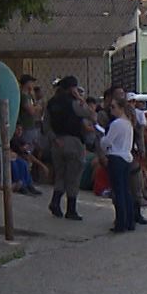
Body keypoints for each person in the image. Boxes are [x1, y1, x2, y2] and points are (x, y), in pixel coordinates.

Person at [44, 76, 91, 220]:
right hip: (73, 142)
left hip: (57, 143)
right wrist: (80, 99)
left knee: (60, 174)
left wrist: (54, 138)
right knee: (73, 176)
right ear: (72, 88)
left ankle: (55, 201)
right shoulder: (73, 103)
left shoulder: (51, 103)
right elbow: (88, 113)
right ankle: (71, 209)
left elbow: (46, 124)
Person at [100, 88, 143, 233]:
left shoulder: (117, 124)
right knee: (125, 191)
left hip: (116, 157)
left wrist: (102, 140)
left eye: (113, 107)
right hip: (125, 158)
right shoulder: (128, 123)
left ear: (121, 108)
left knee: (118, 192)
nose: (111, 109)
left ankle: (121, 223)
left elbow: (106, 141)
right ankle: (129, 221)